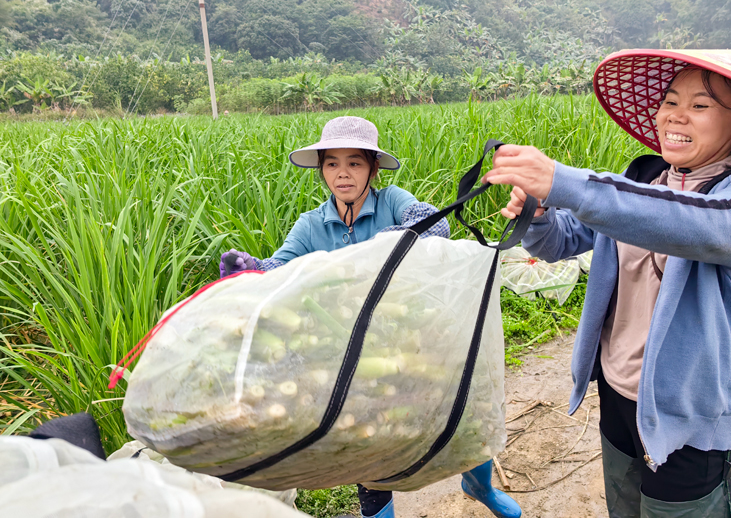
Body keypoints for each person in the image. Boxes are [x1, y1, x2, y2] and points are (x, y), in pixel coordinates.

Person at [482, 49, 731, 517]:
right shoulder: (641, 178)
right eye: (670, 101)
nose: (676, 116)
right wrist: (540, 216)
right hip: (618, 388)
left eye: (701, 106)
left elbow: (705, 228)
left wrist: (566, 181)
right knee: (625, 506)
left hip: (687, 407)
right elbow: (564, 242)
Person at [220, 116, 523, 518]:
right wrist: (251, 268)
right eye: (332, 163)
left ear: (372, 169)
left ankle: (478, 484)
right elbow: (281, 267)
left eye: (354, 163)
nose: (342, 173)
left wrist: (393, 238)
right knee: (368, 436)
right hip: (352, 350)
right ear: (321, 169)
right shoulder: (312, 224)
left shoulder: (392, 201)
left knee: (464, 409)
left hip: (411, 333)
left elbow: (437, 225)